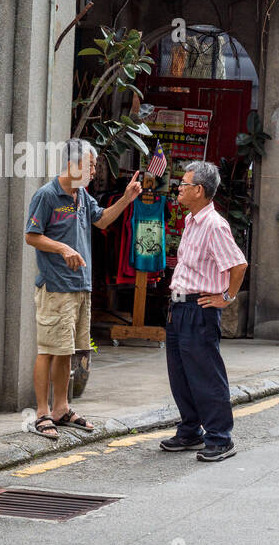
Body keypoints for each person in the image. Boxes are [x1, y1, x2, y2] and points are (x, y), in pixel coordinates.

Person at [25, 139, 141, 439]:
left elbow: (102, 221)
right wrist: (62, 248)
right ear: (73, 165)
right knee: (48, 349)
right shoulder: (47, 195)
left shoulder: (81, 196)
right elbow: (32, 236)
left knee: (68, 351)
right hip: (55, 286)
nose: (93, 171)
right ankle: (41, 413)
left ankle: (61, 408)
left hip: (80, 286)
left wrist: (126, 199)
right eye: (90, 166)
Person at [159, 161, 248, 462]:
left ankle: (220, 438)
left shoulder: (214, 224)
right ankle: (190, 430)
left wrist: (227, 296)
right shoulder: (190, 221)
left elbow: (239, 265)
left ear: (199, 189)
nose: (179, 188)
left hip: (200, 307)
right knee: (180, 374)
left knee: (206, 375)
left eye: (184, 184)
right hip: (179, 306)